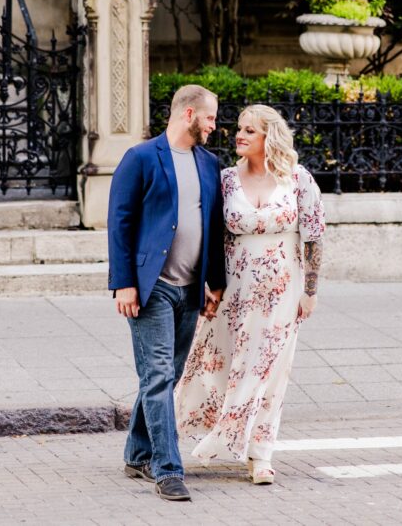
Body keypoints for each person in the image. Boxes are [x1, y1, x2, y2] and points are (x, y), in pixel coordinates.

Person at [174, 104, 325, 485]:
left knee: (269, 371)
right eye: (239, 129)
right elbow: (214, 237)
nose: (238, 135)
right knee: (219, 364)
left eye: (249, 131)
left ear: (268, 137)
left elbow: (314, 236)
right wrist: (209, 286)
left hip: (282, 292)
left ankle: (260, 454)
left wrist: (310, 291)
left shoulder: (297, 178)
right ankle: (190, 432)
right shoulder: (225, 179)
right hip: (234, 290)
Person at [107, 84, 227, 502]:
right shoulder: (140, 158)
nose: (215, 126)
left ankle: (137, 453)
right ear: (189, 113)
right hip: (150, 287)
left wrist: (215, 283)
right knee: (158, 375)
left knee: (165, 376)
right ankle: (167, 468)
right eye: (210, 118)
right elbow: (119, 222)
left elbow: (213, 226)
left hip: (191, 288)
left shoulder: (208, 164)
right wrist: (123, 282)